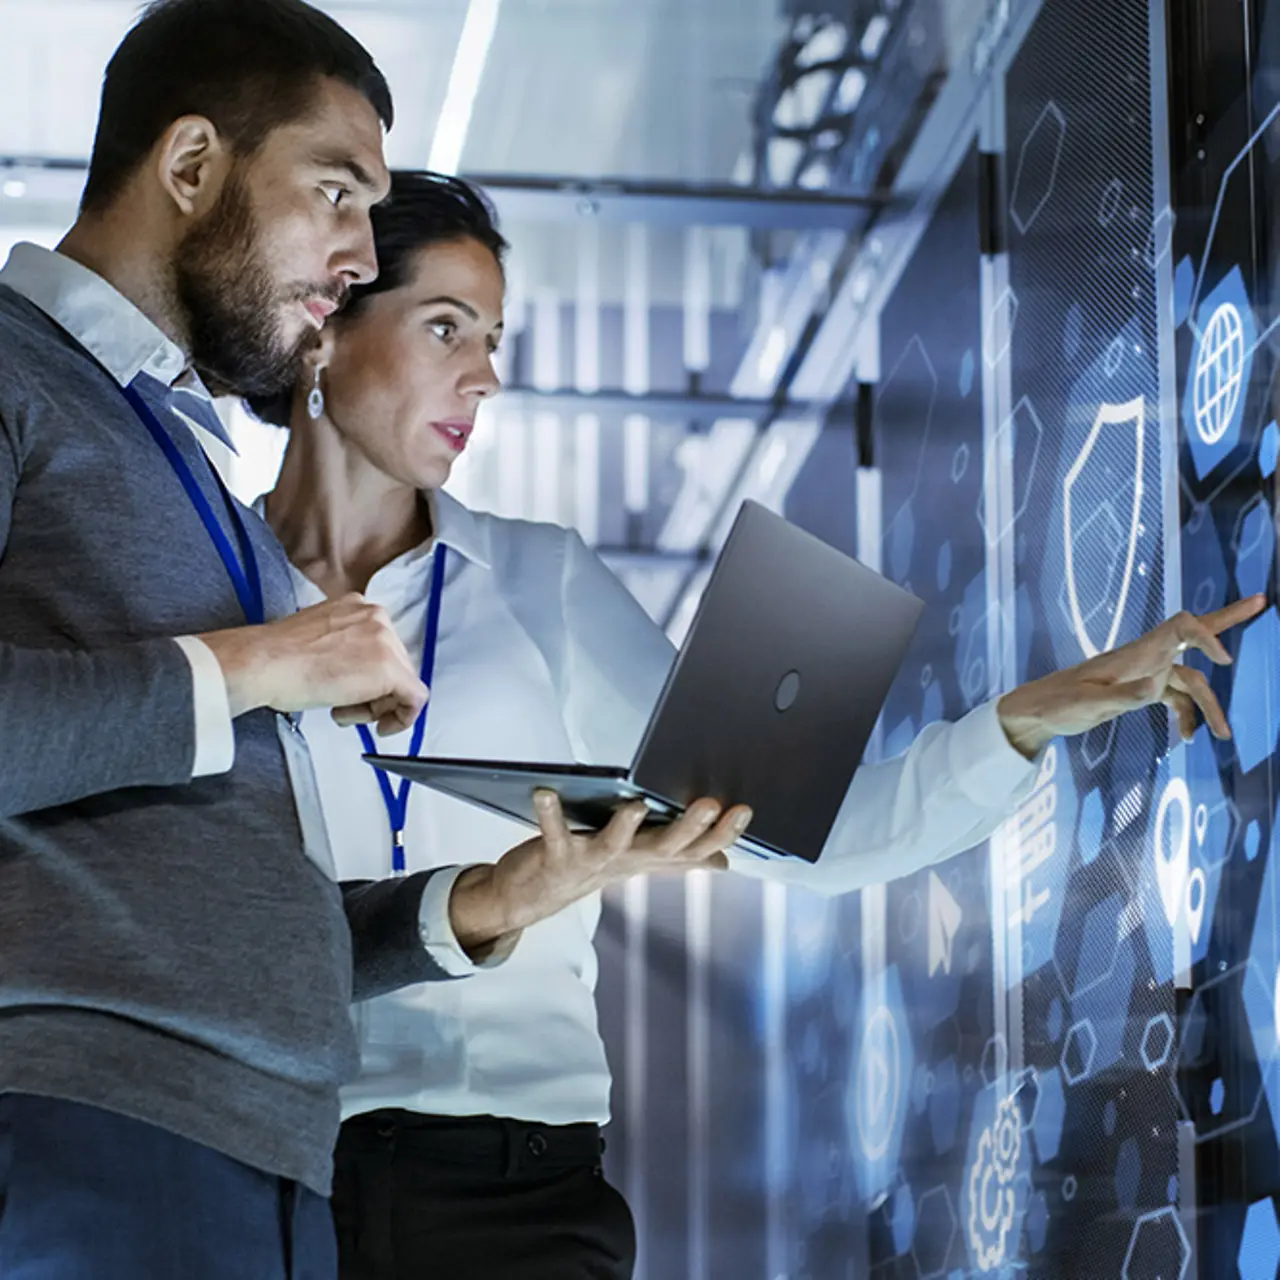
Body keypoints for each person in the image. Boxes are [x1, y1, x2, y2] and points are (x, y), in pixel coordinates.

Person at [252, 171, 1265, 1280]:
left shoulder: (537, 578)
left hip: (517, 1189)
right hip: (271, 1176)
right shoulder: (213, 603)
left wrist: (1027, 718)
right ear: (324, 323)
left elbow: (801, 835)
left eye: (492, 338)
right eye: (445, 326)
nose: (484, 376)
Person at [0, 5, 747, 1276]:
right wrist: (258, 663)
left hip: (271, 1160)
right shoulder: (16, 372)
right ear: (190, 167)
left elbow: (246, 908)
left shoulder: (182, 464)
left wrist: (483, 904)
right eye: (335, 191)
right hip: (95, 1124)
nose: (356, 252)